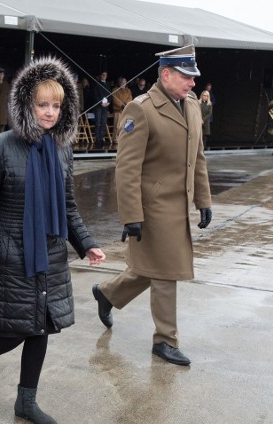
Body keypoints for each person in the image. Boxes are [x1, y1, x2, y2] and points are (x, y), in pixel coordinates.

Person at [0, 56, 106, 424]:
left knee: (41, 326)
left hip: (51, 251)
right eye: (42, 104)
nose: (49, 112)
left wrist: (86, 242)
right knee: (15, 328)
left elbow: (68, 204)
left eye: (56, 105)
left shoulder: (62, 148)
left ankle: (26, 401)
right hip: (12, 252)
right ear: (26, 105)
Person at [91, 45, 212, 366]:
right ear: (166, 74)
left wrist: (203, 200)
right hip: (153, 207)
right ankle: (165, 340)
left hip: (179, 206)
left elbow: (197, 158)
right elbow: (127, 168)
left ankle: (108, 293)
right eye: (186, 76)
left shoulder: (193, 108)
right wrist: (131, 215)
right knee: (167, 273)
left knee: (156, 267)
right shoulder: (140, 109)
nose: (192, 83)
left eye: (193, 77)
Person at [110, 76, 133, 144]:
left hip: (126, 110)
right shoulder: (115, 89)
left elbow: (130, 98)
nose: (123, 83)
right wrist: (121, 105)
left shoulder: (128, 90)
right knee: (117, 126)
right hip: (118, 110)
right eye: (121, 82)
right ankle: (115, 139)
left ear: (126, 83)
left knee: (126, 126)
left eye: (124, 82)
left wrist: (126, 104)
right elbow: (115, 99)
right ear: (119, 83)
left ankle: (124, 139)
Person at [91, 71, 110, 147]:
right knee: (98, 122)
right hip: (99, 106)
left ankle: (102, 138)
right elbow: (95, 95)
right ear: (100, 75)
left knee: (103, 123)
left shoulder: (108, 84)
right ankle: (97, 139)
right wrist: (100, 103)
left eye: (105, 75)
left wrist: (108, 102)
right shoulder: (97, 83)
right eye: (103, 75)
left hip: (106, 106)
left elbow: (110, 94)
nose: (104, 76)